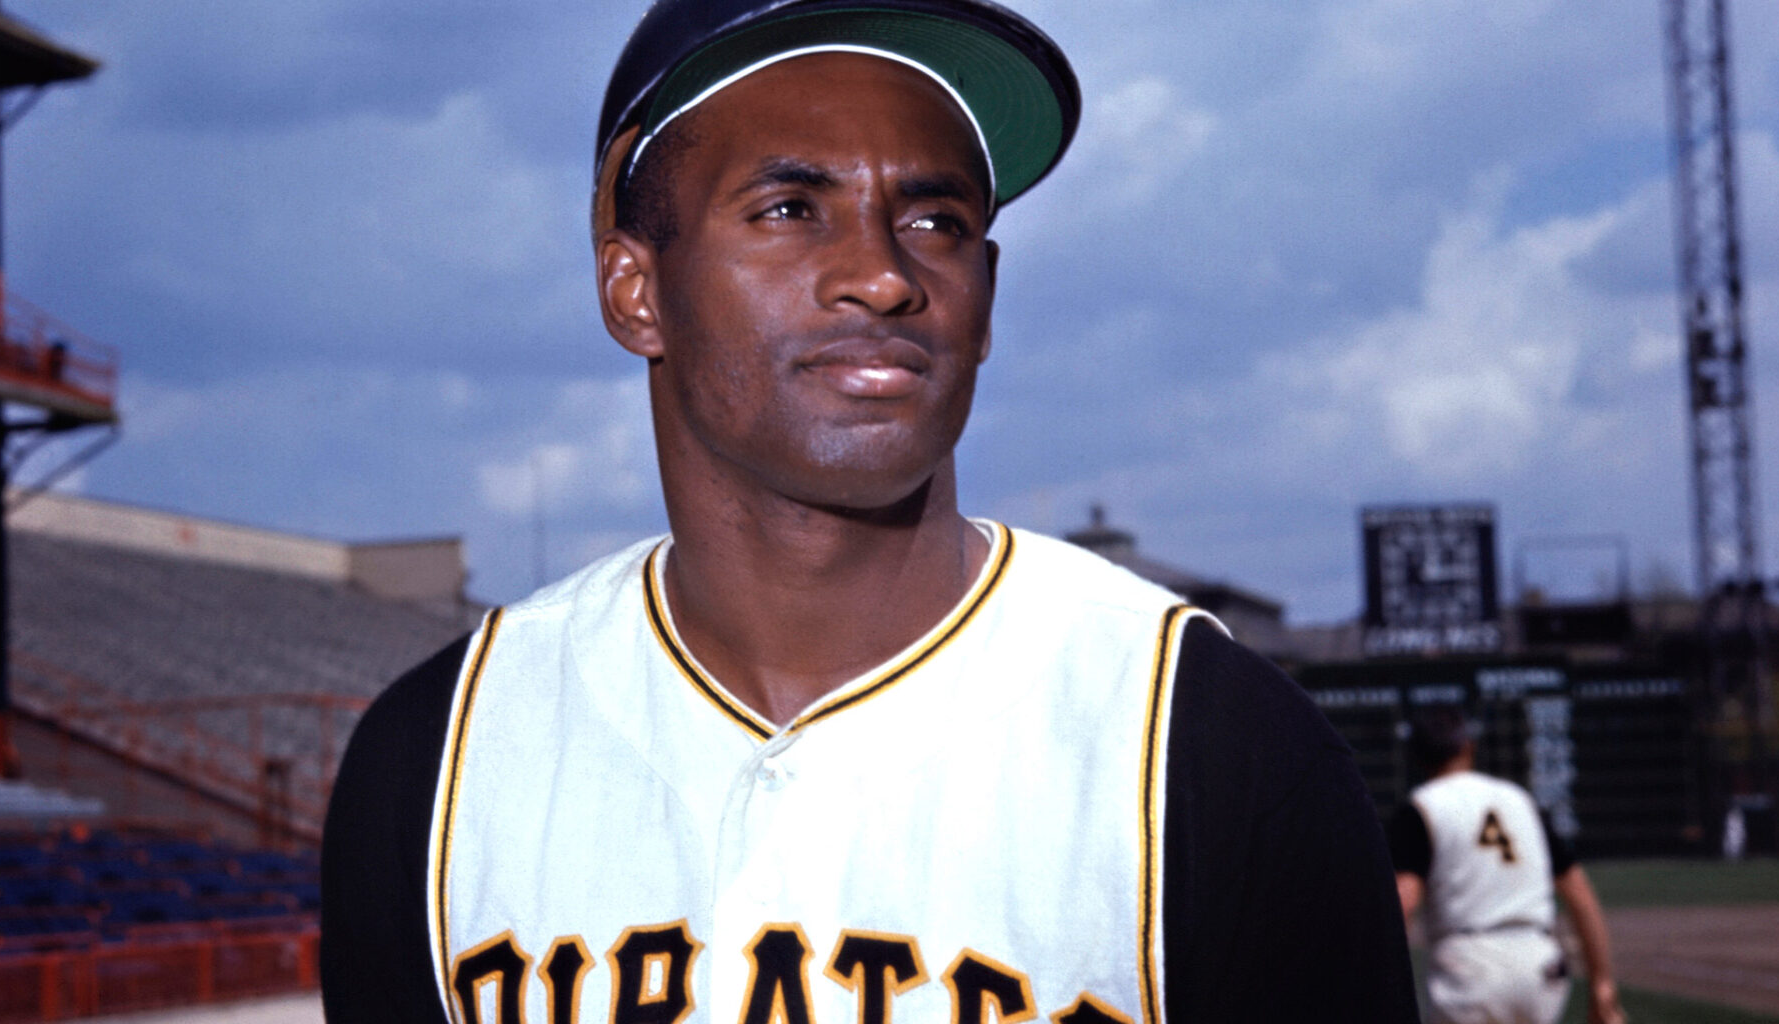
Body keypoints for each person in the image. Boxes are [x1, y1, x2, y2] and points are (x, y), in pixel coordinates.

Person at [321, 2, 1418, 1022]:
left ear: (985, 297)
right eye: (791, 208)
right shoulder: (441, 761)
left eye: (934, 220)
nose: (883, 276)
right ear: (635, 289)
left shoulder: (1211, 745)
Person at [1389, 706, 1627, 1024]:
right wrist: (1602, 983)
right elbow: (1580, 896)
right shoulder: (1521, 800)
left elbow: (1402, 904)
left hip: (1469, 968)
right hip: (1539, 965)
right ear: (1468, 746)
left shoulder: (1420, 808)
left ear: (1416, 757)